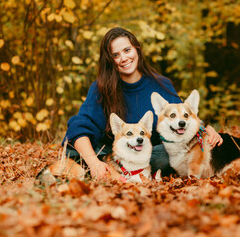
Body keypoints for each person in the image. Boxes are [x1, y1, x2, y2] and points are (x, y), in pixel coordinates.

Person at [63, 27, 223, 179]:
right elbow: (80, 126)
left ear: (137, 49)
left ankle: (132, 174)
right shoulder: (101, 88)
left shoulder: (161, 84)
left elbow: (183, 118)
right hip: (112, 156)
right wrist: (93, 162)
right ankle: (102, 170)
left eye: (127, 50)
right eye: (116, 55)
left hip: (150, 156)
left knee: (164, 156)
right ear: (110, 60)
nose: (124, 58)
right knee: (74, 152)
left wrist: (204, 129)